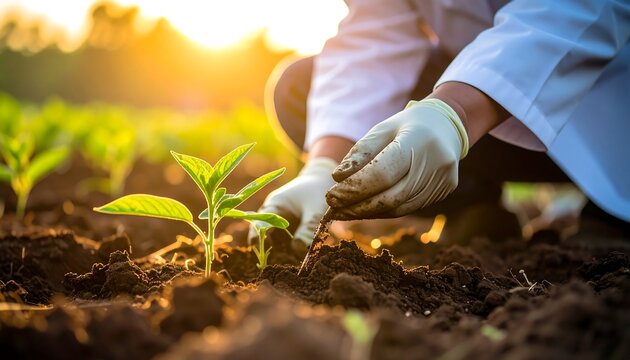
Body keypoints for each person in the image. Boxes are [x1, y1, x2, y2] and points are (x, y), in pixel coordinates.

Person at [255, 0, 630, 247]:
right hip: (497, 109)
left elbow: (580, 9)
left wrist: (455, 111)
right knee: (300, 88)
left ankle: (610, 216)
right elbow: (374, 35)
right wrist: (323, 165)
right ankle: (472, 205)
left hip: (613, 106)